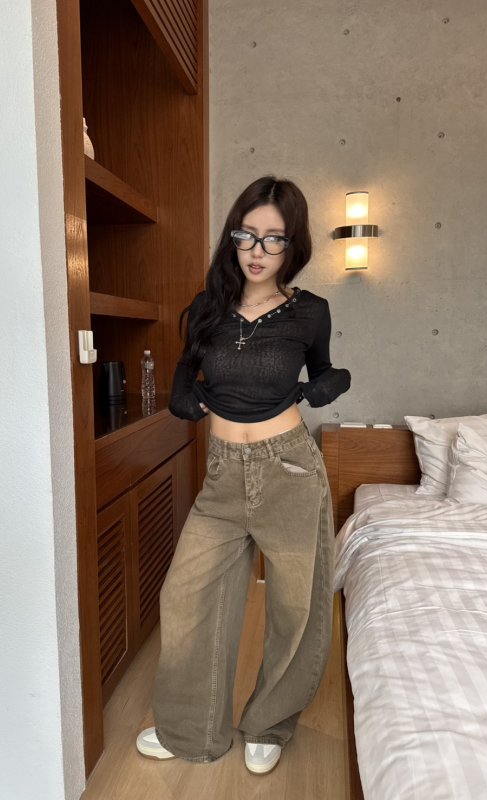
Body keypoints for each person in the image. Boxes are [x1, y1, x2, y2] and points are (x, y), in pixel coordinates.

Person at [136, 175, 350, 775]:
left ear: (293, 245)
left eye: (273, 239)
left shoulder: (310, 311)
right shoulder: (207, 308)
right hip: (223, 473)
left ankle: (268, 723)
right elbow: (188, 368)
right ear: (232, 238)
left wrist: (329, 384)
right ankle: (190, 730)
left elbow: (323, 369)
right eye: (247, 235)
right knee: (186, 596)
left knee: (295, 607)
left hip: (289, 469)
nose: (258, 250)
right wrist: (181, 391)